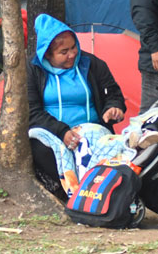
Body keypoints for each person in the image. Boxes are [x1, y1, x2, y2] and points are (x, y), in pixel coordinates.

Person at [27, 13, 129, 197]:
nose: (72, 54)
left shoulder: (91, 64)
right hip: (53, 133)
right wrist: (62, 131)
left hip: (92, 131)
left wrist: (113, 107)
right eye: (63, 52)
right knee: (41, 149)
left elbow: (113, 93)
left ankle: (98, 194)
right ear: (47, 54)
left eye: (73, 47)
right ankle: (69, 193)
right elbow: (32, 111)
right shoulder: (33, 71)